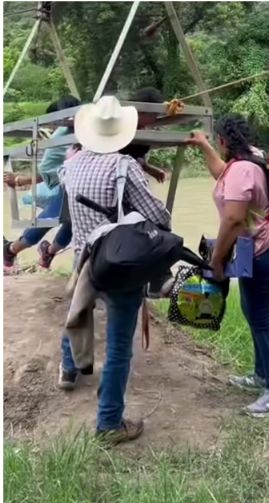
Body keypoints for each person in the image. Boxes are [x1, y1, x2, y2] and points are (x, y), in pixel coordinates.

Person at [59, 95, 172, 444]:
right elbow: (160, 217)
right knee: (120, 346)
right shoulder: (124, 167)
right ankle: (109, 422)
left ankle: (68, 369)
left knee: (78, 312)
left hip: (84, 262)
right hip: (119, 265)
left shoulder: (72, 165)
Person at [187, 115, 269, 418]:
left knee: (262, 318)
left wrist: (217, 260)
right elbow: (224, 176)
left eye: (215, 142)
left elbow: (233, 220)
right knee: (253, 313)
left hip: (263, 248)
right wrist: (203, 146)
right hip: (259, 246)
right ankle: (262, 375)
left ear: (224, 141)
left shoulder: (243, 169)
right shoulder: (251, 159)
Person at [3, 95, 80, 272]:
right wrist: (21, 179)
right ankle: (23, 251)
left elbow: (46, 169)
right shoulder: (76, 133)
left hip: (74, 185)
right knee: (62, 220)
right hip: (74, 185)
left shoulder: (63, 132)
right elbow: (49, 169)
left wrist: (21, 179)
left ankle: (13, 250)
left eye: (51, 124)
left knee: (57, 221)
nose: (51, 129)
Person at [120, 87, 169, 183]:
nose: (154, 120)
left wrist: (147, 168)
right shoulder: (122, 128)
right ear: (140, 112)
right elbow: (121, 156)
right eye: (153, 115)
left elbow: (133, 156)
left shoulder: (139, 129)